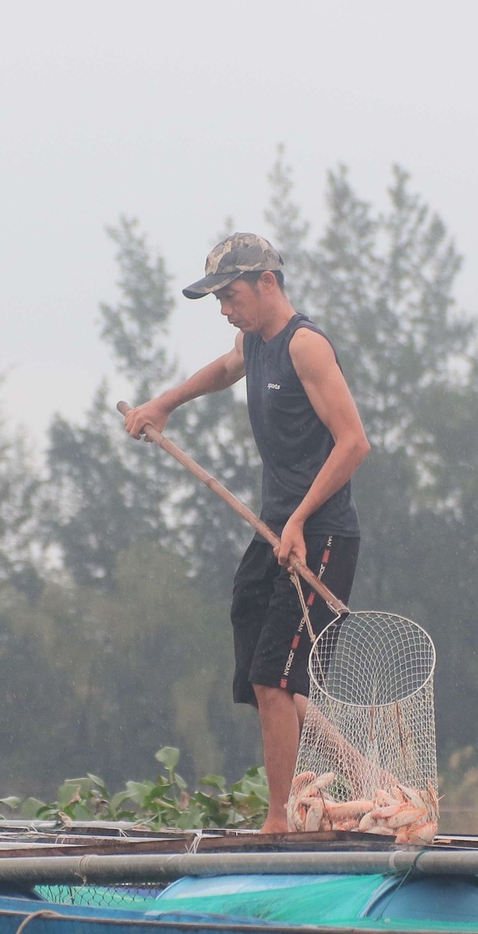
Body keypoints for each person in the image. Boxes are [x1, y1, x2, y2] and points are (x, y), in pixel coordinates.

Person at [124, 233, 371, 833]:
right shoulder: (253, 342)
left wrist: (299, 520)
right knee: (264, 674)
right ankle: (364, 776)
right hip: (275, 529)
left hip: (321, 532)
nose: (225, 309)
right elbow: (225, 368)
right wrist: (165, 403)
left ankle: (278, 819)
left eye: (231, 295)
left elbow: (354, 443)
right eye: (218, 300)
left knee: (275, 675)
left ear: (268, 283)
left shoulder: (305, 346)